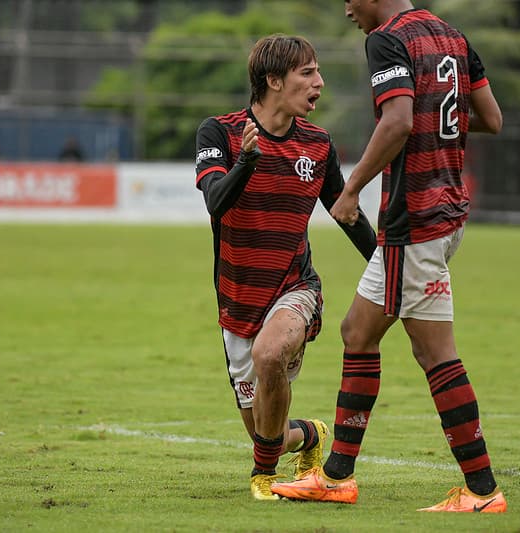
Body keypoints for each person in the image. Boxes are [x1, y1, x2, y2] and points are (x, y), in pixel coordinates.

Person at [270, 0, 506, 513]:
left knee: (435, 353)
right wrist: (436, 122)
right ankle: (337, 476)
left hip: (413, 220)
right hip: (446, 211)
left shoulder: (388, 39)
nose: (347, 9)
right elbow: (491, 118)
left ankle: (483, 490)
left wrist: (351, 188)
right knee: (357, 332)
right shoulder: (452, 36)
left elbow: (397, 122)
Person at [194, 34, 377, 501]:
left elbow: (346, 213)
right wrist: (246, 161)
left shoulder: (317, 145)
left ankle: (264, 476)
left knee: (270, 354)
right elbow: (215, 201)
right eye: (307, 73)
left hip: (296, 288)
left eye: (317, 72)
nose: (319, 82)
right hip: (237, 299)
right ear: (274, 80)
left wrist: (387, 264)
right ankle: (310, 435)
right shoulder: (219, 133)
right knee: (265, 430)